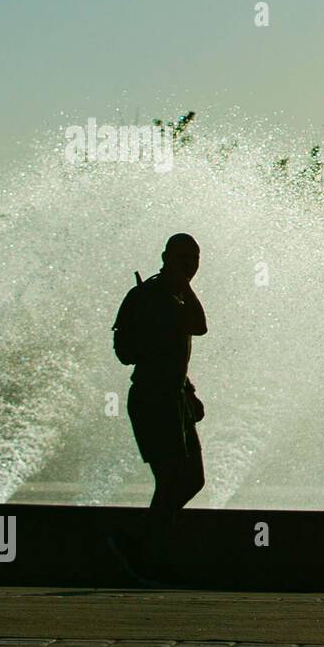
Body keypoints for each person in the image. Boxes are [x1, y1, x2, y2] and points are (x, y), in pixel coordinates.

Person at [109, 233, 208, 583]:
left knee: (192, 479)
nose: (189, 266)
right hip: (153, 399)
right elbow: (200, 325)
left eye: (193, 260)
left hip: (175, 397)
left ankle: (142, 543)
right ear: (166, 257)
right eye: (182, 259)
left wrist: (189, 391)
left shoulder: (173, 294)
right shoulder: (154, 295)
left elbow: (177, 350)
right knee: (169, 481)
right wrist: (181, 286)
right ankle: (144, 553)